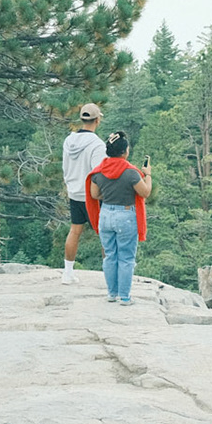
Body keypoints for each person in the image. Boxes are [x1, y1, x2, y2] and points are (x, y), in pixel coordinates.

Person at [84, 131, 150, 305]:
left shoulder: (98, 172)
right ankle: (125, 297)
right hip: (126, 215)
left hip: (105, 215)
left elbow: (94, 195)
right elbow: (145, 192)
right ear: (124, 152)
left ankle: (112, 294)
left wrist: (109, 196)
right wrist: (148, 175)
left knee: (110, 256)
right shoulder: (131, 173)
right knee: (126, 258)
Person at [60, 103, 107, 283]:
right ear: (97, 120)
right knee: (105, 234)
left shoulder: (68, 141)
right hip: (92, 195)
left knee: (75, 231)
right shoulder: (97, 145)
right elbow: (98, 173)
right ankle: (108, 275)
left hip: (74, 192)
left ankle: (68, 273)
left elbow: (65, 166)